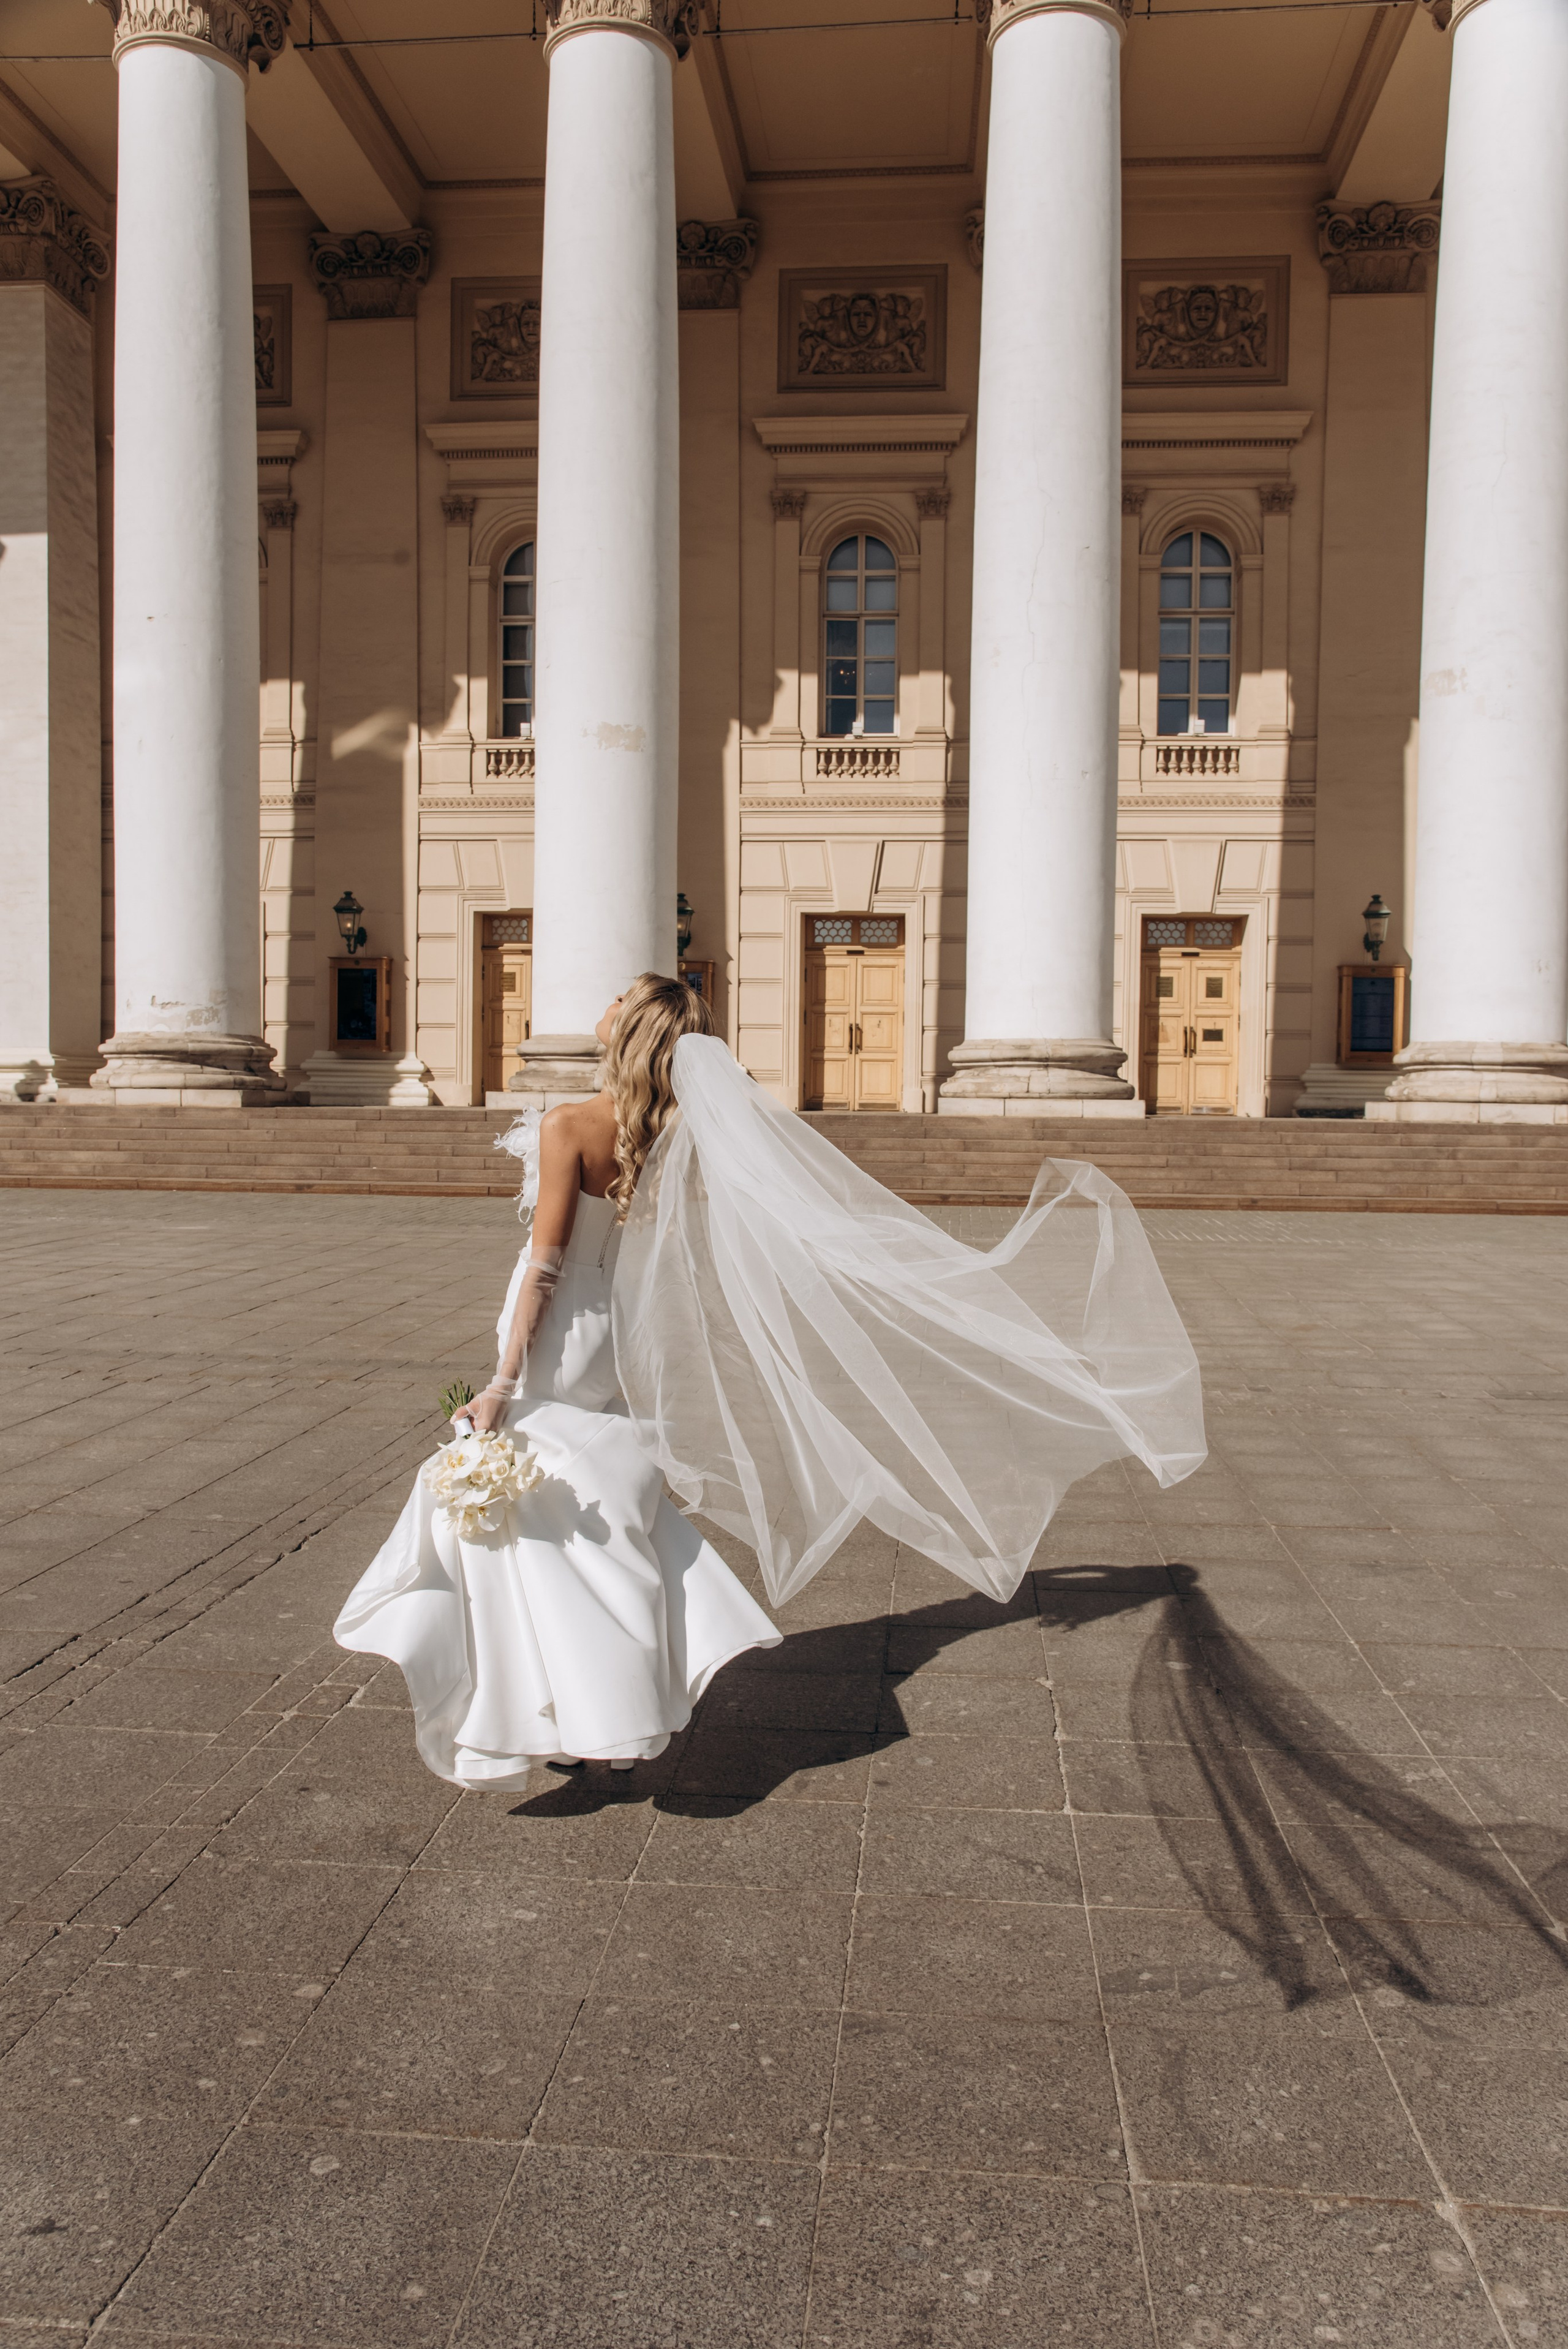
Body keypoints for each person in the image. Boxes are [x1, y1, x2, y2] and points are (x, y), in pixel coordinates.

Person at [335, 972, 1207, 1790]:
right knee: (584, 1517)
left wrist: (501, 1376)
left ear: (629, 1029)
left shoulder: (572, 1123)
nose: (601, 1008)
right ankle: (609, 1704)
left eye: (616, 1001)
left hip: (557, 1338)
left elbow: (547, 1268)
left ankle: (581, 1707)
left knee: (539, 1521)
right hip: (615, 1337)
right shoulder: (666, 1130)